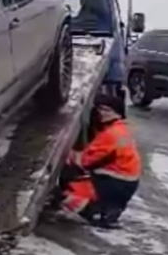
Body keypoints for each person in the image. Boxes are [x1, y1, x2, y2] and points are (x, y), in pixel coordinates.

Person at [56, 92, 142, 228]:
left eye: (107, 110)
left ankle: (90, 211)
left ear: (117, 113)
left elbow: (85, 162)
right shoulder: (123, 128)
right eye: (100, 109)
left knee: (69, 182)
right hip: (126, 182)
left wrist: (65, 154)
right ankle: (108, 210)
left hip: (113, 182)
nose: (102, 113)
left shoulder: (110, 135)